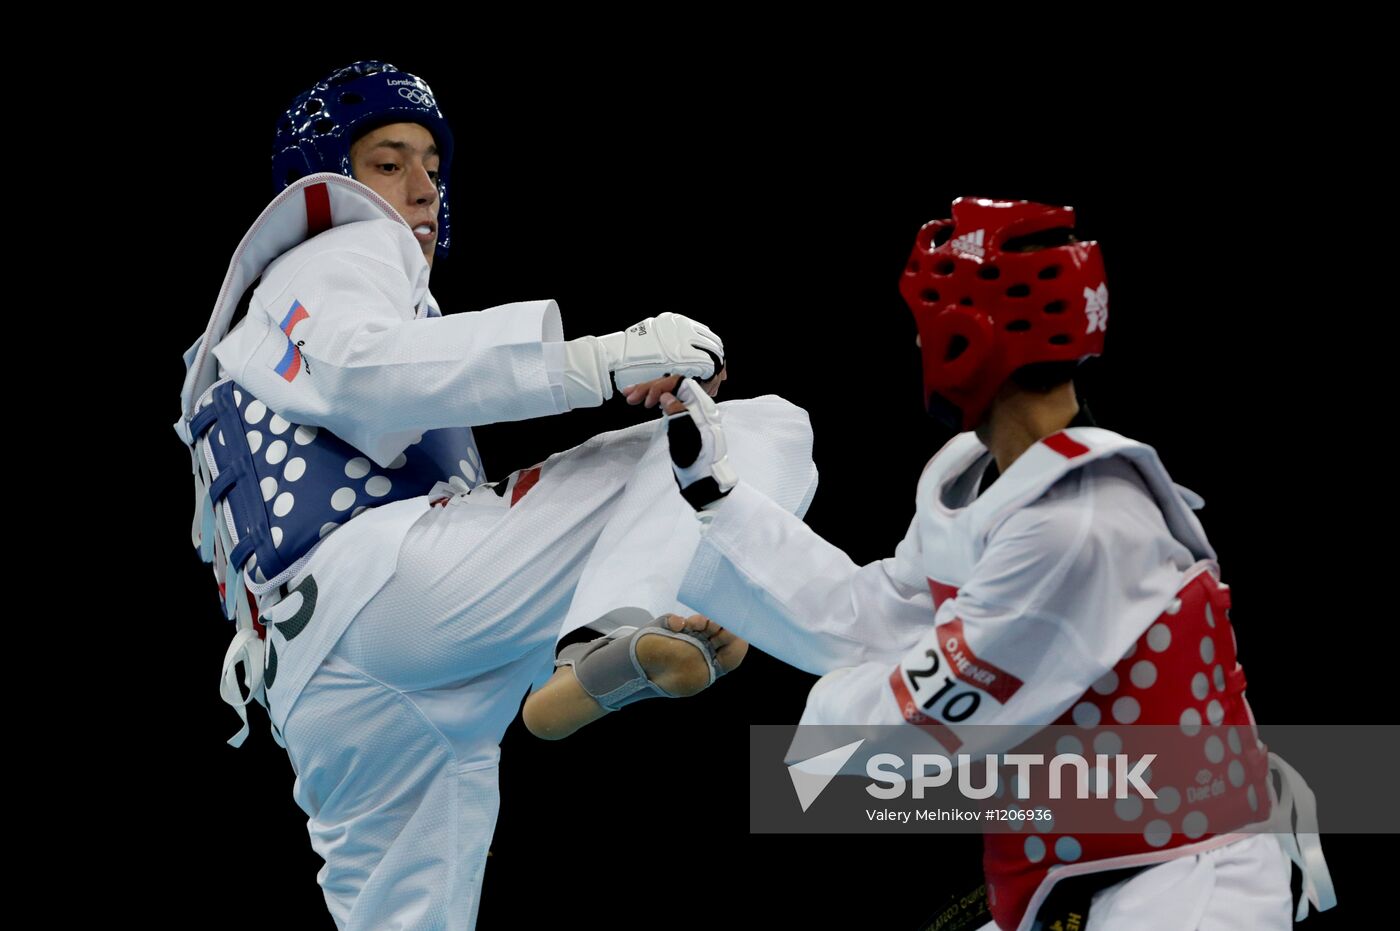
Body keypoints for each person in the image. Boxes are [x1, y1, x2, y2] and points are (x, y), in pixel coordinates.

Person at [174, 61, 814, 930]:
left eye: (432, 166)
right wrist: (600, 358)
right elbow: (364, 371)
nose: (421, 188)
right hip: (389, 585)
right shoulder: (337, 244)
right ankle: (617, 627)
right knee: (752, 430)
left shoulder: (243, 342)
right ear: (328, 175)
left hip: (315, 693)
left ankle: (636, 624)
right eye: (389, 162)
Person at [658, 197, 1336, 930]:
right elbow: (872, 614)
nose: (918, 349)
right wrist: (716, 494)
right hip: (1083, 872)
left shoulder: (1080, 524)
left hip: (1190, 887)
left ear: (965, 342)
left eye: (927, 329)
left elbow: (917, 720)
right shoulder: (979, 476)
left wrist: (808, 744)